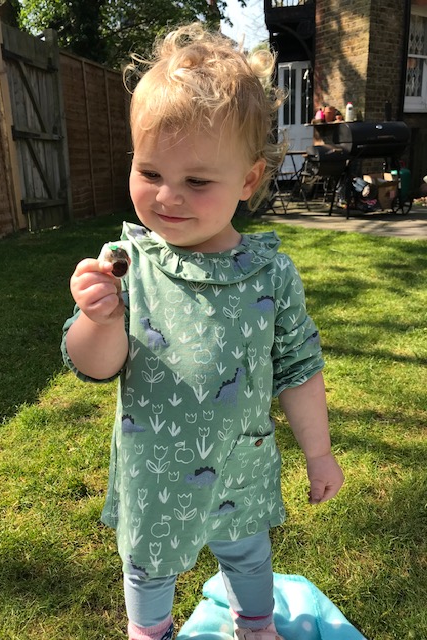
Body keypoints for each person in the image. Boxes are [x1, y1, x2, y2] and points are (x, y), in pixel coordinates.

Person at [61, 23, 344, 640]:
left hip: (241, 461)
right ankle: (150, 632)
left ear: (248, 180)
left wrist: (319, 452)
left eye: (196, 181)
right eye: (149, 171)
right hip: (156, 469)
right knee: (148, 567)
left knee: (249, 555)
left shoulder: (270, 274)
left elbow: (299, 366)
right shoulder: (128, 262)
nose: (168, 197)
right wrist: (97, 319)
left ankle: (257, 626)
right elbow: (93, 366)